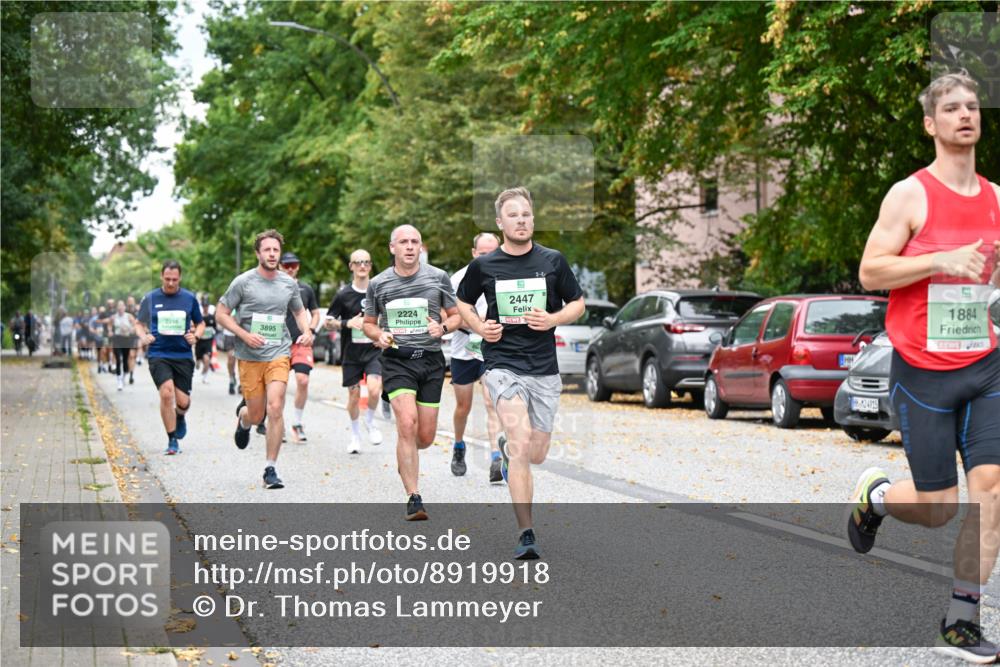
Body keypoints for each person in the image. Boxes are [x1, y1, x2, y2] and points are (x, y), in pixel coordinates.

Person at [848, 72, 1000, 663]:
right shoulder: (910, 195)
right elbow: (870, 272)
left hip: (985, 365)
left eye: (972, 106)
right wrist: (941, 259)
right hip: (922, 371)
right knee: (938, 509)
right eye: (952, 108)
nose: (965, 115)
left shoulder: (997, 198)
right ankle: (879, 497)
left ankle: (960, 622)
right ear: (931, 124)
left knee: (990, 490)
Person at [457, 187, 585, 559]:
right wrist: (479, 327)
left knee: (536, 453)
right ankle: (526, 533)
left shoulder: (553, 261)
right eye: (513, 215)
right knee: (520, 440)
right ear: (500, 222)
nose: (521, 220)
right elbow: (462, 301)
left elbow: (577, 303)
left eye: (526, 214)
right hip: (502, 365)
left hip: (543, 369)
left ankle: (511, 451)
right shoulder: (484, 266)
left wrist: (553, 319)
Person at [363, 225, 461, 520]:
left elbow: (456, 316)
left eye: (414, 241)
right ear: (392, 247)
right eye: (403, 242)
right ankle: (414, 497)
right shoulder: (379, 283)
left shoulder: (438, 277)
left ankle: (406, 455)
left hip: (430, 361)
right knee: (407, 423)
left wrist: (443, 327)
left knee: (425, 436)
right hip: (397, 361)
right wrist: (379, 334)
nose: (409, 246)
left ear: (420, 247)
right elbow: (368, 323)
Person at [216, 230, 312, 490]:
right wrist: (244, 335)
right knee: (257, 414)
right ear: (258, 253)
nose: (272, 254)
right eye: (267, 250)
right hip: (249, 356)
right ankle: (244, 419)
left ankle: (271, 469)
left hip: (279, 353)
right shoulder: (243, 282)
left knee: (276, 407)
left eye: (275, 250)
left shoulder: (288, 284)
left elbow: (299, 311)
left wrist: (306, 331)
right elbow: (221, 313)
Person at [449, 232, 504, 482]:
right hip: (463, 348)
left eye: (492, 253)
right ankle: (459, 445)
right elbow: (449, 316)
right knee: (464, 407)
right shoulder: (458, 278)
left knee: (492, 402)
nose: (488, 258)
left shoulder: (505, 275)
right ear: (474, 253)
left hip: (491, 348)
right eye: (483, 254)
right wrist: (474, 322)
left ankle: (496, 458)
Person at [135, 260, 204, 456]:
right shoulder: (150, 298)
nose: (171, 283)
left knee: (183, 402)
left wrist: (196, 336)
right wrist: (144, 336)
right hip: (159, 353)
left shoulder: (189, 298)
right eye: (167, 279)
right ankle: (172, 439)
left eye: (174, 279)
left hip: (182, 354)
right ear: (161, 277)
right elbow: (139, 323)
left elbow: (200, 324)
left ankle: (180, 416)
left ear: (180, 277)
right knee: (166, 394)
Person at [326, 249, 383, 453]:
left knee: (375, 389)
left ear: (370, 266)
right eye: (358, 262)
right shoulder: (343, 294)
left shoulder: (378, 291)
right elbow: (328, 322)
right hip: (351, 353)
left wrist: (383, 334)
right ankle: (355, 435)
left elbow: (387, 317)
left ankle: (370, 420)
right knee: (353, 395)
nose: (362, 266)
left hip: (373, 350)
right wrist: (347, 323)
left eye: (366, 262)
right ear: (351, 266)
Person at [278, 252, 320, 443]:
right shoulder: (273, 286)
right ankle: (278, 423)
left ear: (298, 267)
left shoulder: (306, 288)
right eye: (286, 265)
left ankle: (297, 422)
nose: (290, 269)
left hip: (301, 342)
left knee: (303, 381)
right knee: (279, 386)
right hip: (279, 344)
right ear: (280, 266)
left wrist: (311, 330)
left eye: (293, 265)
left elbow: (316, 313)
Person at [110, 300, 137, 391]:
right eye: (119, 306)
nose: (120, 308)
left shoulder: (129, 316)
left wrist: (131, 329)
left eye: (122, 306)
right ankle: (119, 381)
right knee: (118, 359)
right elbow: (109, 325)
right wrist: (110, 331)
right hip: (117, 339)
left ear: (124, 308)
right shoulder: (114, 317)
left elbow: (135, 325)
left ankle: (123, 377)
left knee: (125, 360)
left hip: (126, 339)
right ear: (117, 308)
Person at [195, 297, 216, 385]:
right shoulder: (199, 317)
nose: (205, 307)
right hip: (199, 342)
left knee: (207, 359)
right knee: (198, 362)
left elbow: (215, 328)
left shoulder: (212, 317)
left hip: (208, 342)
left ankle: (204, 376)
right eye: (204, 306)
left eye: (206, 306)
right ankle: (198, 363)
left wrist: (213, 333)